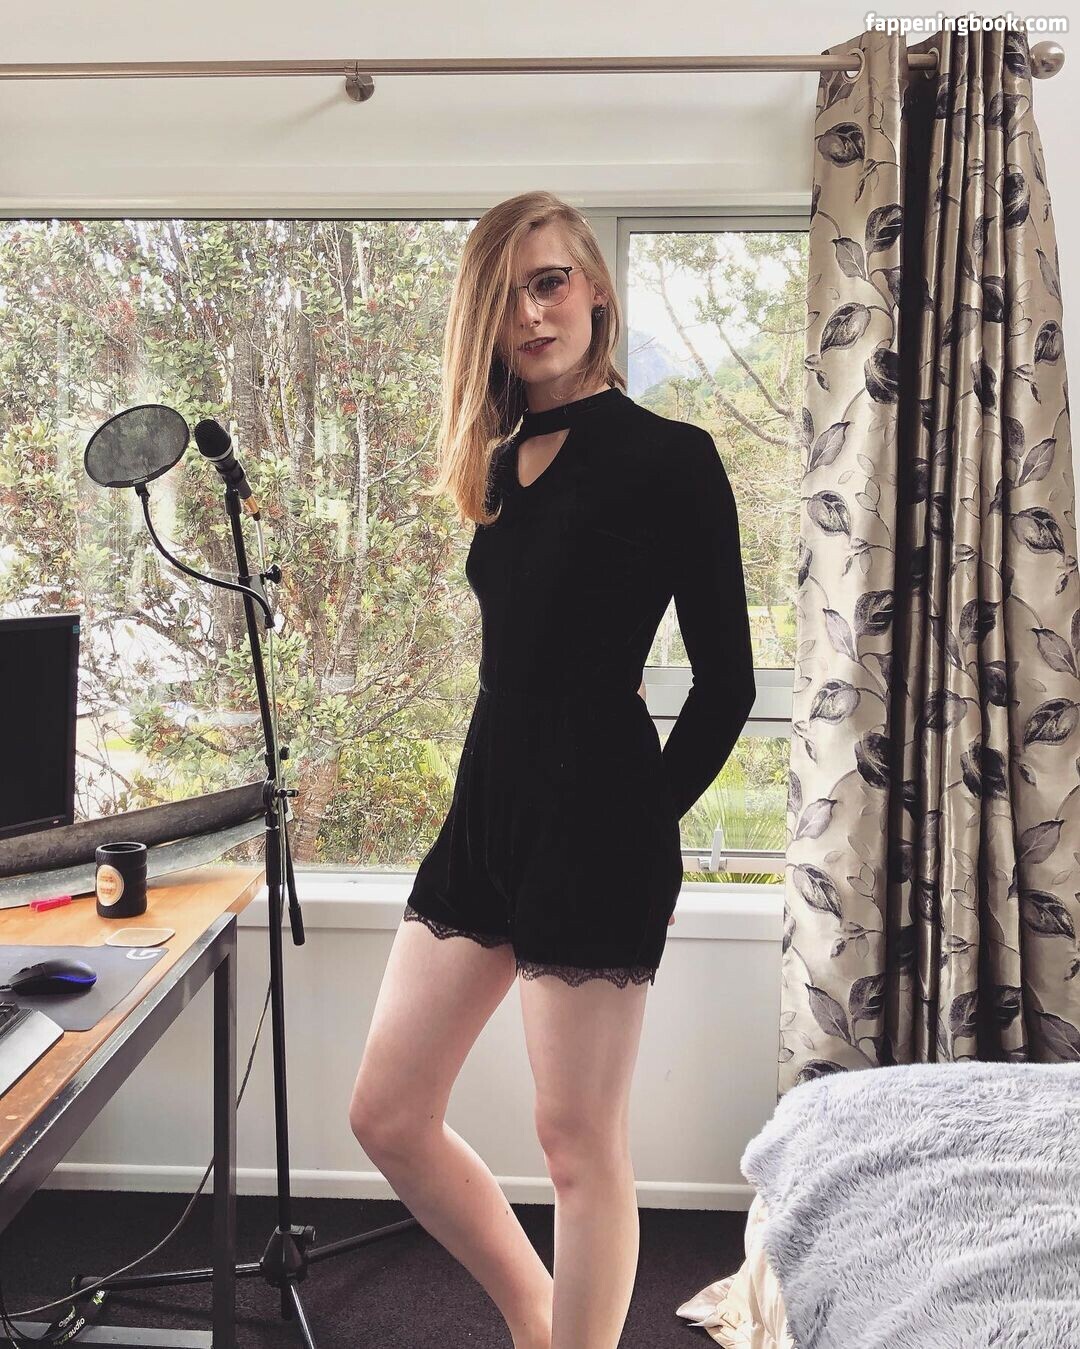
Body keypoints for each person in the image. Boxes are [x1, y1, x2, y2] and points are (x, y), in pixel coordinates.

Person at [348, 191, 755, 1349]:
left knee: (577, 1144)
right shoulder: (492, 458)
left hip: (600, 820)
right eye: (509, 293)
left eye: (551, 282)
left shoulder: (672, 458)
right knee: (387, 1112)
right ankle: (538, 1314)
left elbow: (726, 682)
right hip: (487, 807)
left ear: (595, 292)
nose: (533, 313)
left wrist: (640, 822)